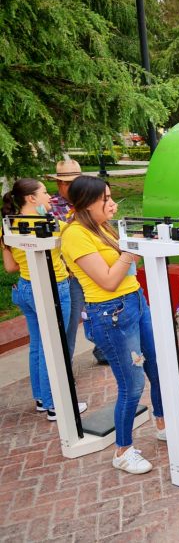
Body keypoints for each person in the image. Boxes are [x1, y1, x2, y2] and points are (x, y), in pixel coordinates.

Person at [60, 177, 162, 474]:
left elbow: (126, 268)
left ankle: (163, 423)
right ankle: (123, 450)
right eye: (105, 198)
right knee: (132, 384)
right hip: (112, 314)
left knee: (157, 367)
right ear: (86, 203)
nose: (112, 203)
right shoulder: (75, 234)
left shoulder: (101, 226)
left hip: (135, 302)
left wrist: (129, 247)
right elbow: (107, 280)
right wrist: (129, 251)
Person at [1, 178, 88, 421]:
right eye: (44, 193)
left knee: (39, 344)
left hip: (26, 288)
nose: (49, 197)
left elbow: (10, 267)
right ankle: (56, 404)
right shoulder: (51, 225)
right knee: (55, 345)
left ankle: (41, 397)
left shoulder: (8, 225)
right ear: (31, 198)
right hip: (54, 287)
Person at [47, 160, 107, 364]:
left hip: (93, 264)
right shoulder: (51, 207)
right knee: (71, 321)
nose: (75, 187)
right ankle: (65, 366)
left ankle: (103, 351)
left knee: (100, 309)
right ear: (60, 184)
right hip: (70, 272)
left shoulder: (88, 200)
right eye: (70, 183)